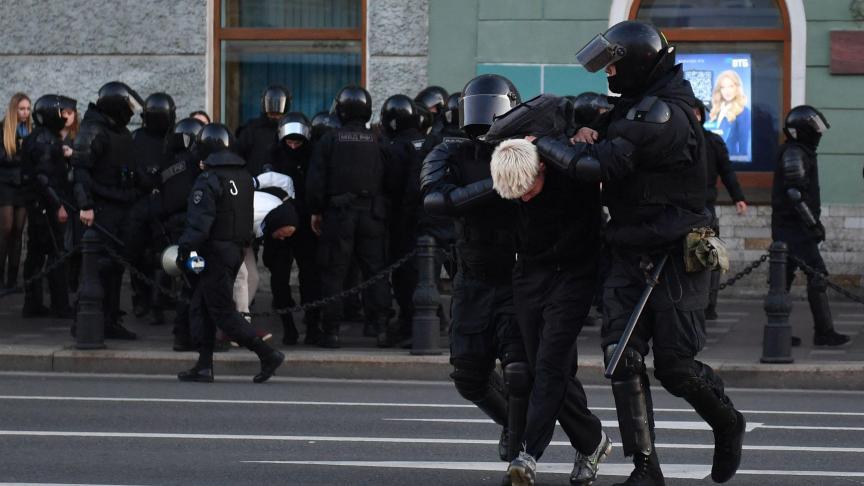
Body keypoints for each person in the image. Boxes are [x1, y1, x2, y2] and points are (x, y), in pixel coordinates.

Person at [535, 21, 746, 485]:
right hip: (628, 248)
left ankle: (728, 421)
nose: (608, 73)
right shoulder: (634, 107)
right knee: (622, 357)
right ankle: (646, 468)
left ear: (636, 63)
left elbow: (597, 167)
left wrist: (544, 146)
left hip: (675, 255)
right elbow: (603, 140)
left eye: (613, 64)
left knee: (676, 368)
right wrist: (584, 132)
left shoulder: (664, 114)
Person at [421, 74, 530, 480]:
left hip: (519, 275)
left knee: (519, 371)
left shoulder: (526, 150)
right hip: (473, 277)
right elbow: (435, 199)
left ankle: (521, 448)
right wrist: (498, 184)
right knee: (468, 375)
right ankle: (509, 423)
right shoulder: (450, 151)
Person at [490, 136, 612, 486]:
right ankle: (591, 441)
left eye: (529, 190)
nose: (525, 198)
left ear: (542, 167)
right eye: (517, 196)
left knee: (549, 364)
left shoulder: (572, 173)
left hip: (574, 274)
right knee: (546, 367)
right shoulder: (514, 181)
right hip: (530, 274)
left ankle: (527, 455)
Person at [175, 123, 285, 383]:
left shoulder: (209, 180)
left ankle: (267, 354)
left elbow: (199, 223)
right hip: (235, 251)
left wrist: (185, 251)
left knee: (223, 313)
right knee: (203, 306)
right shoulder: (244, 177)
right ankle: (203, 366)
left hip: (213, 253)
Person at [306, 85, 395, 348]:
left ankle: (331, 332)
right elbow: (391, 179)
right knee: (376, 273)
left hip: (339, 214)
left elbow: (316, 180)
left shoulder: (330, 140)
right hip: (372, 215)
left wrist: (316, 211)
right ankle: (379, 328)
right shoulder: (379, 140)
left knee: (334, 273)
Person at [771, 105, 850, 347]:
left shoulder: (798, 151)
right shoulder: (795, 153)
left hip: (789, 227)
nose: (818, 135)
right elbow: (795, 194)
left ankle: (779, 331)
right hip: (795, 229)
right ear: (803, 131)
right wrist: (813, 225)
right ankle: (823, 332)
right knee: (816, 275)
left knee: (782, 279)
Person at [72, 81, 144, 340]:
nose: (131, 113)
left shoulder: (120, 132)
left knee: (115, 267)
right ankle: (83, 321)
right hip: (101, 207)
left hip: (121, 206)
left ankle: (110, 320)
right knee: (98, 266)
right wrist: (86, 205)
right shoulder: (93, 129)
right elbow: (80, 170)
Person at [267, 112, 323, 345]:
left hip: (305, 224)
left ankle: (312, 326)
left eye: (297, 142)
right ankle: (288, 326)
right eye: (288, 142)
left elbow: (317, 186)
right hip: (279, 225)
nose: (292, 146)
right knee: (279, 279)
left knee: (310, 277)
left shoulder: (314, 156)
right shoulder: (272, 156)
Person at [20, 94, 76, 318]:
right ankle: (59, 304)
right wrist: (58, 205)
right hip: (45, 205)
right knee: (55, 252)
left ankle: (32, 302)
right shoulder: (45, 140)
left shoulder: (42, 137)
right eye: (61, 113)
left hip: (37, 204)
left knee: (36, 253)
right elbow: (43, 178)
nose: (64, 117)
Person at [378, 94, 427, 345]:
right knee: (422, 274)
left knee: (405, 276)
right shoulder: (427, 142)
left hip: (402, 219)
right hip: (428, 217)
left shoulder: (395, 147)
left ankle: (409, 326)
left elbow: (391, 185)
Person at [694, 99, 748, 320]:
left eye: (696, 113)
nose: (694, 116)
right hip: (683, 209)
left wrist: (739, 198)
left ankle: (708, 306)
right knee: (697, 261)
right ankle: (698, 305)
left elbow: (727, 171)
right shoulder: (676, 141)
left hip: (705, 208)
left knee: (713, 260)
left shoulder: (712, 142)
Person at [128, 92, 176, 324]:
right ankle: (141, 297)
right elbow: (130, 166)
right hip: (140, 202)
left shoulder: (173, 139)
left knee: (162, 254)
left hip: (163, 204)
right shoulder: (136, 138)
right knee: (137, 253)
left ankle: (157, 300)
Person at [0, 93, 31, 290]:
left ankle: (12, 279)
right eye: (22, 109)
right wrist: (24, 158)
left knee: (19, 231)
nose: (26, 113)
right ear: (14, 109)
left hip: (23, 186)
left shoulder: (29, 130)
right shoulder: (3, 128)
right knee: (6, 229)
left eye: (28, 109)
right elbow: (4, 158)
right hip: (5, 185)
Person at [235, 85, 291, 176]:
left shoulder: (289, 130)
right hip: (254, 183)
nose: (275, 117)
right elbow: (237, 156)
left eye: (278, 114)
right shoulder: (251, 129)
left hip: (283, 184)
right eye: (271, 113)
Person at [708, 70, 750, 157]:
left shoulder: (743, 112)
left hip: (729, 161)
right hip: (709, 160)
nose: (727, 91)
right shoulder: (715, 109)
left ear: (737, 88)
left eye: (731, 86)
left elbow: (743, 146)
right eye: (723, 87)